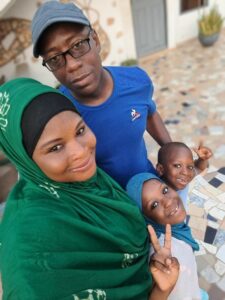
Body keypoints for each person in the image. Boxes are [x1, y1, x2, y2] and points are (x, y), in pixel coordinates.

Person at [0, 78, 179, 300]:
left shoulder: (93, 182)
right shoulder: (30, 259)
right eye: (55, 147)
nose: (81, 152)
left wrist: (161, 289)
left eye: (80, 130)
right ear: (27, 160)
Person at [31, 1, 172, 188]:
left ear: (95, 40)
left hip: (149, 184)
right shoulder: (59, 113)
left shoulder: (137, 81)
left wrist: (170, 152)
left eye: (78, 45)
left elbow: (151, 114)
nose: (72, 65)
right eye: (55, 59)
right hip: (110, 208)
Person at [126, 172, 209, 300]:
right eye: (154, 205)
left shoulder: (176, 228)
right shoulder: (166, 255)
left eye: (165, 190)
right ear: (146, 218)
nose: (168, 202)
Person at [156, 141, 212, 208]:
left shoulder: (183, 179)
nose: (185, 172)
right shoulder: (156, 192)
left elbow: (198, 168)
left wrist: (202, 160)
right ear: (161, 169)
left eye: (190, 167)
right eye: (177, 166)